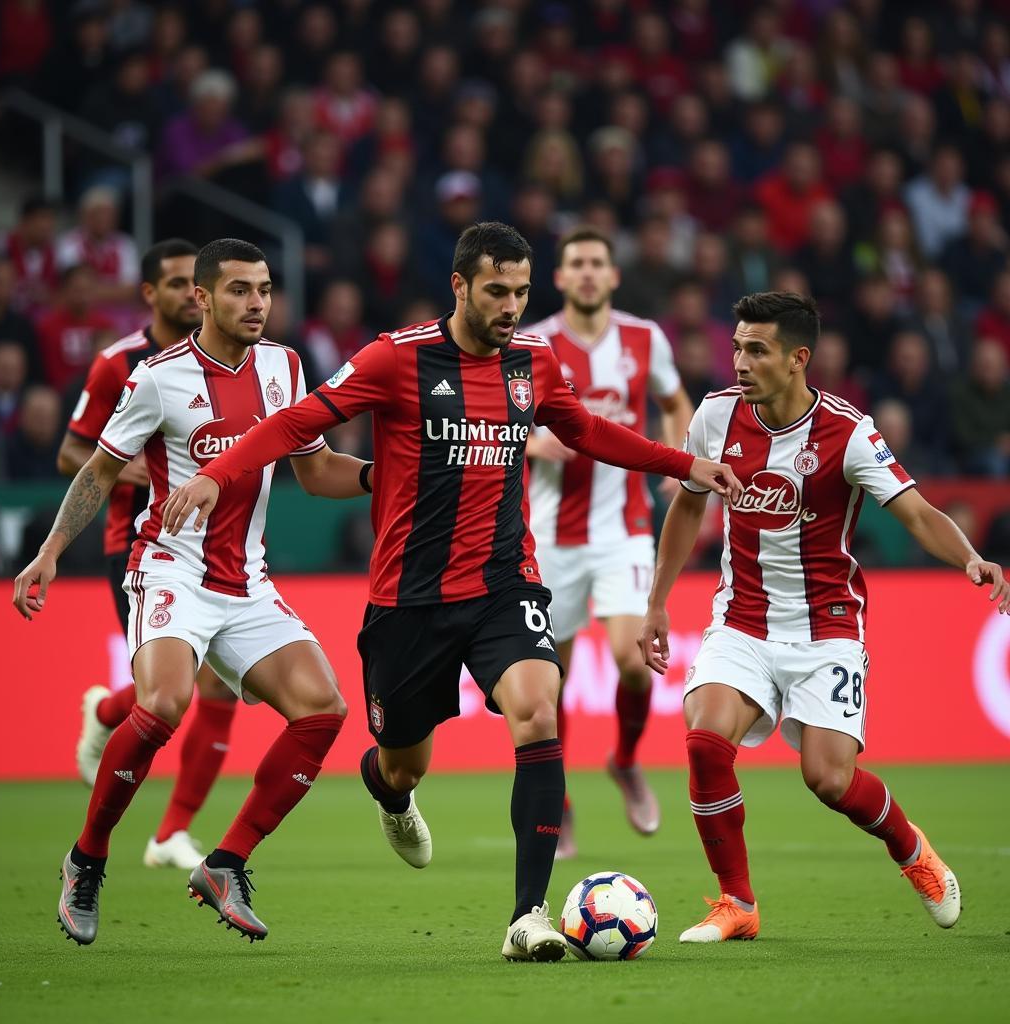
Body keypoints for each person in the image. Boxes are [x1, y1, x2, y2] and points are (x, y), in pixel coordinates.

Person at [161, 222, 742, 962]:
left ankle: (527, 915)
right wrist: (216, 473)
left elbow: (589, 430)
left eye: (522, 292)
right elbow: (299, 422)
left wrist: (682, 465)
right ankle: (391, 790)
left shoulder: (534, 360)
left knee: (537, 708)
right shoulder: (394, 359)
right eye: (497, 290)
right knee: (405, 761)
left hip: (506, 581)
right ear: (461, 285)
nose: (511, 306)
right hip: (409, 599)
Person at [13, 238, 373, 946]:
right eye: (239, 290)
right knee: (166, 704)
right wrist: (51, 552)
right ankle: (86, 860)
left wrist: (383, 478)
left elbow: (316, 468)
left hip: (248, 580)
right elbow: (96, 473)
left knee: (324, 711)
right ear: (202, 298)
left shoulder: (285, 366)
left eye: (265, 289)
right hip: (168, 568)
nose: (257, 304)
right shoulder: (156, 378)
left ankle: (226, 862)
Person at [639, 291, 1009, 943]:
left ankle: (911, 849)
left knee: (828, 779)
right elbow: (689, 508)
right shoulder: (715, 417)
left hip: (827, 627)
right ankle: (737, 903)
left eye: (757, 350)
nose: (741, 362)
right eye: (737, 348)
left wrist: (971, 560)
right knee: (703, 741)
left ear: (797, 359)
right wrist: (657, 602)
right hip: (742, 621)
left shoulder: (848, 431)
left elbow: (917, 511)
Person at [58, 238, 239, 871]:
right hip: (140, 544)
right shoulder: (120, 363)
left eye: (197, 282)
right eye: (175, 283)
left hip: (225, 552)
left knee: (217, 689)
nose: (189, 293)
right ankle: (105, 710)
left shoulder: (240, 362)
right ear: (150, 294)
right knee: (165, 693)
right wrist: (147, 472)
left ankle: (172, 832)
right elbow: (73, 454)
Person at [525, 226, 693, 859]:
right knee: (550, 679)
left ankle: (623, 760)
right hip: (550, 533)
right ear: (562, 278)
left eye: (599, 262)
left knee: (633, 661)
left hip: (625, 528)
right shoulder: (534, 341)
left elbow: (675, 403)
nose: (589, 272)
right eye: (577, 264)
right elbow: (504, 417)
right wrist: (532, 440)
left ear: (613, 276)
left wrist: (679, 464)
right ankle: (558, 799)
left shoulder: (644, 337)